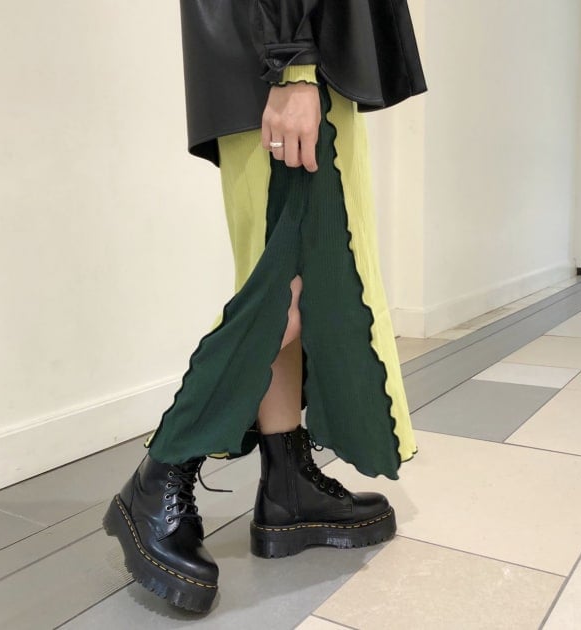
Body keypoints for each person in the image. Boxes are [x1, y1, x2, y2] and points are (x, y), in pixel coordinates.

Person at [103, 0, 427, 614]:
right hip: (286, 61)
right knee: (296, 290)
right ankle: (159, 474)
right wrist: (294, 65)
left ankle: (287, 489)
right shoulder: (292, 69)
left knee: (287, 283)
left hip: (277, 59)